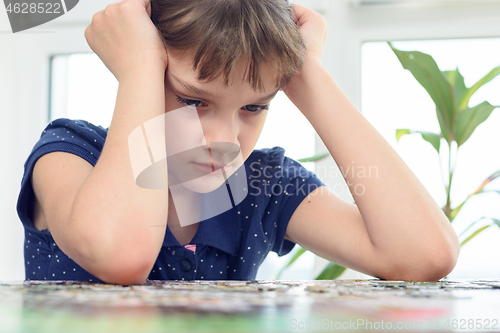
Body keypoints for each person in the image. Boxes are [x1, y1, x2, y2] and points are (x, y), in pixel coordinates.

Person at [17, 0, 459, 285]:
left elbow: (426, 255)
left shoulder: (262, 182)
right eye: (193, 99)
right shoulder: (70, 152)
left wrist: (307, 76)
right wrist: (139, 68)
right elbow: (121, 254)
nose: (224, 141)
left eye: (254, 107)